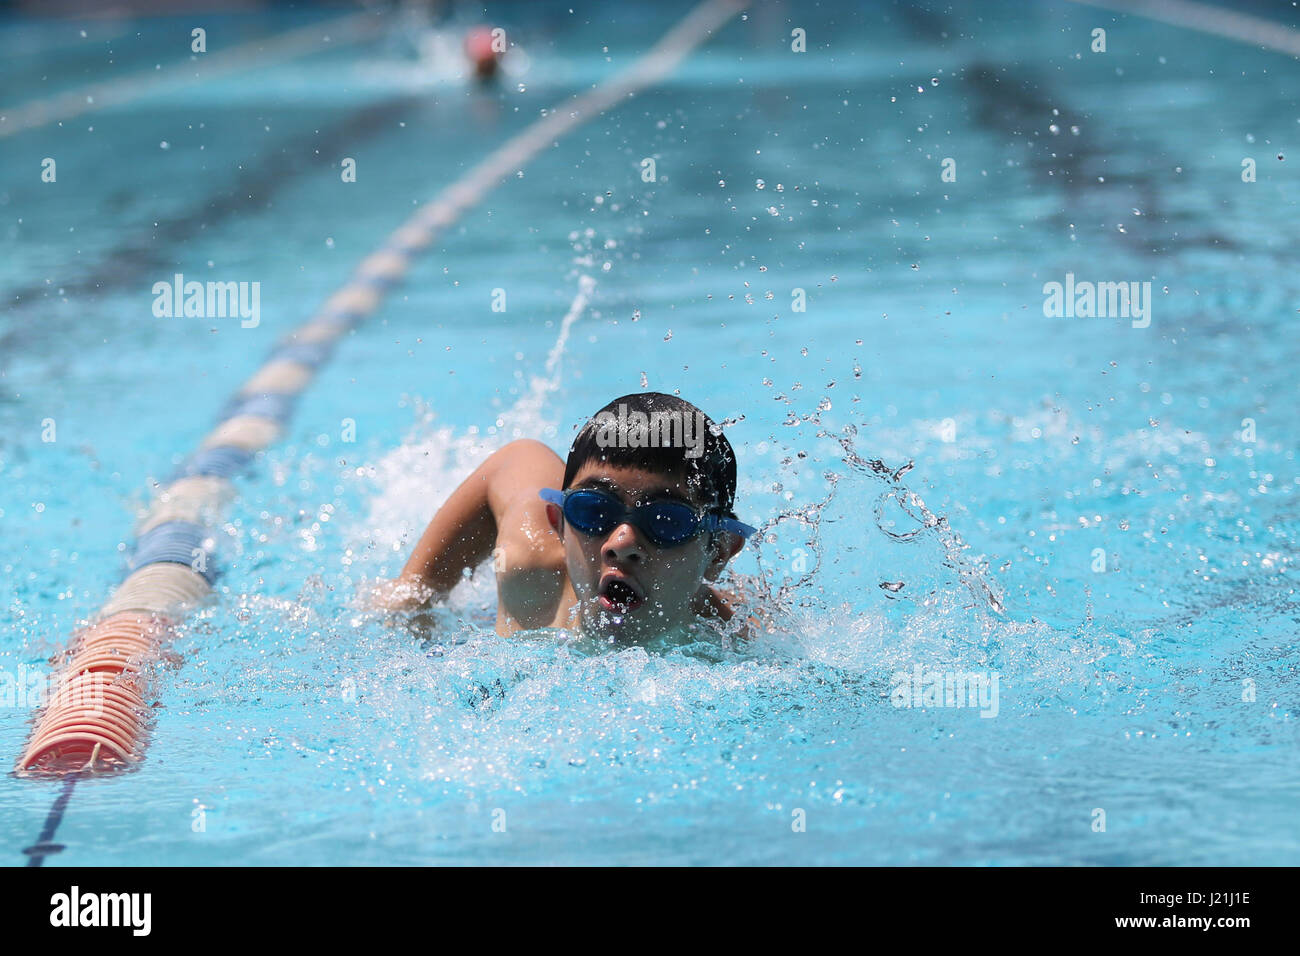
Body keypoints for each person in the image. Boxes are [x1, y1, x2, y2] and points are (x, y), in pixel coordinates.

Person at [371, 392, 758, 642]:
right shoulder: (530, 567)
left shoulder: (734, 641)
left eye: (666, 522)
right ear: (557, 523)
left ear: (719, 552)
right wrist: (417, 591)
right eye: (593, 511)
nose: (621, 544)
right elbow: (518, 455)